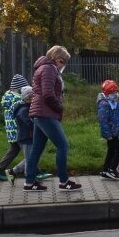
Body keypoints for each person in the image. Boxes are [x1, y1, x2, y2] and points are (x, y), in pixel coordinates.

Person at [24, 45, 81, 192]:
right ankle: (64, 181)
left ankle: (29, 183)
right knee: (63, 145)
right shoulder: (49, 69)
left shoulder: (43, 68)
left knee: (37, 149)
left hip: (40, 113)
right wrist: (59, 108)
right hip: (46, 113)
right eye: (62, 61)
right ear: (55, 58)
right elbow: (48, 94)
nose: (63, 65)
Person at [0, 74, 38, 181]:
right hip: (20, 130)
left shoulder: (8, 97)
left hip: (12, 130)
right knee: (32, 152)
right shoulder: (19, 100)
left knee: (16, 150)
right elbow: (23, 117)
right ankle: (33, 174)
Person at [97, 79, 119, 180]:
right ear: (107, 93)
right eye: (112, 92)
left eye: (116, 92)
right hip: (110, 134)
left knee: (111, 151)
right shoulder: (104, 104)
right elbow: (103, 121)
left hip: (116, 132)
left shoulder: (116, 103)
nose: (115, 94)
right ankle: (112, 169)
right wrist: (107, 134)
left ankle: (105, 170)